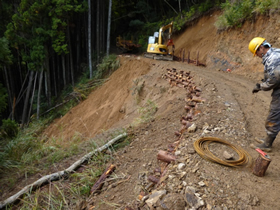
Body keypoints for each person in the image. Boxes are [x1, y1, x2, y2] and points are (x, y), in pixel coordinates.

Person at [248, 37, 280, 152]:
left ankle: (267, 144)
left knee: (274, 115)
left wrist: (260, 86)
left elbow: (274, 80)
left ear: (261, 48)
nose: (257, 55)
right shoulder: (275, 52)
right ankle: (267, 140)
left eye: (256, 53)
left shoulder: (273, 58)